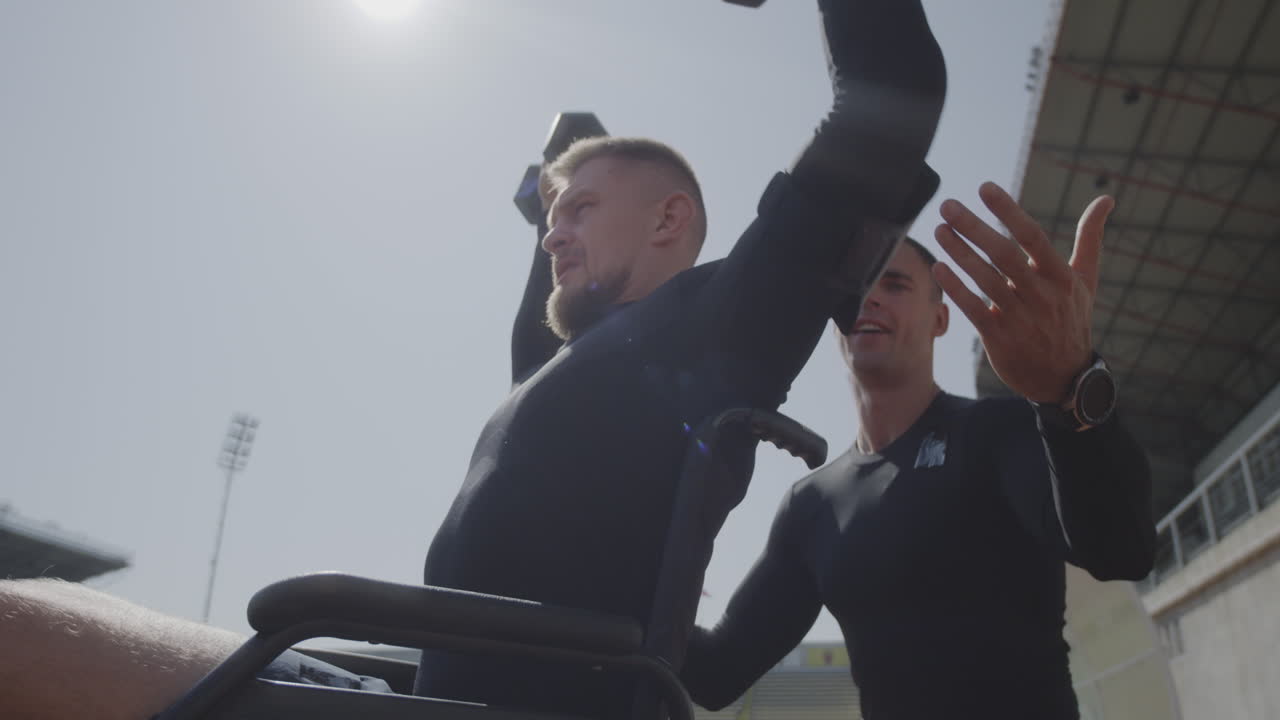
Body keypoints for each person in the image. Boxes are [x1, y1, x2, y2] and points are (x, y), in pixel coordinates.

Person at [0, 1, 950, 718]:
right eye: (550, 213)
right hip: (414, 687)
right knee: (26, 611)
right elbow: (541, 271)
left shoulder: (722, 324)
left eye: (579, 210)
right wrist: (567, 154)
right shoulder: (560, 366)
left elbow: (897, 89)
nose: (552, 232)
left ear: (670, 220)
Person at [679, 185, 1157, 720]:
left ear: (941, 319)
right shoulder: (811, 505)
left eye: (897, 284)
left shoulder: (999, 431)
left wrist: (1073, 385)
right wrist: (634, 574)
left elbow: (1122, 551)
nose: (871, 299)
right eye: (858, 288)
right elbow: (717, 673)